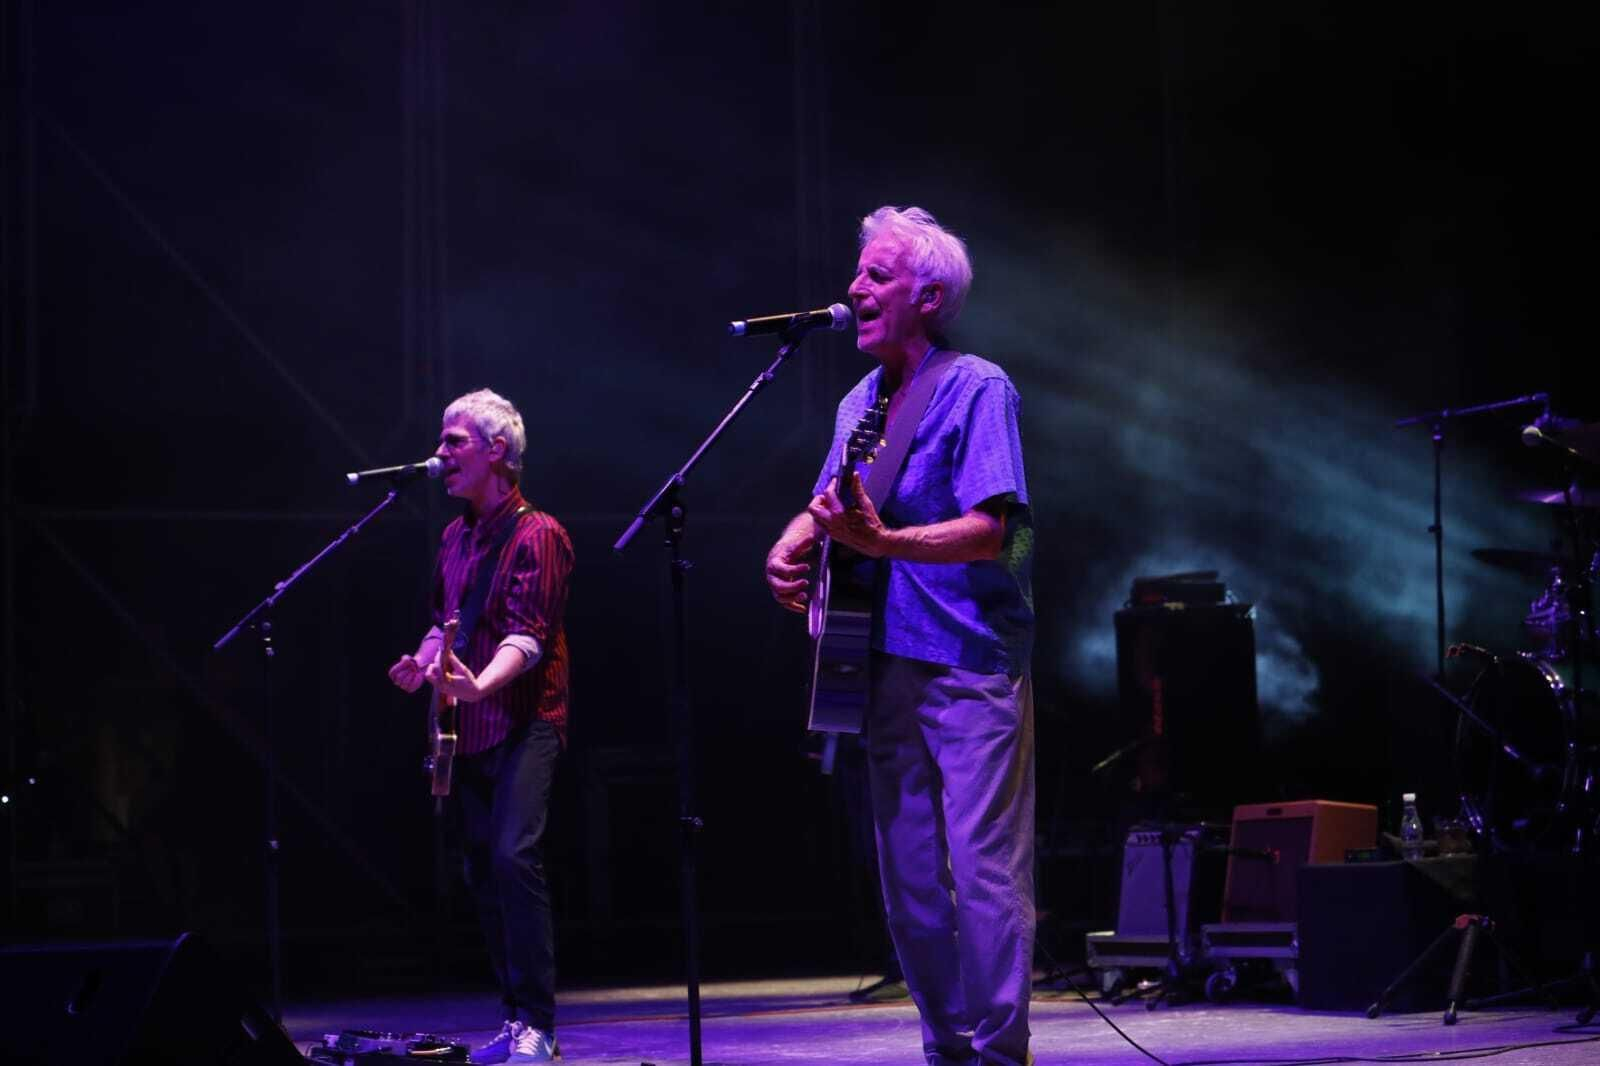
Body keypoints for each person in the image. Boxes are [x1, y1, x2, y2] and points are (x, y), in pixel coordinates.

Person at [765, 206, 1036, 1066]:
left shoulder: (978, 387)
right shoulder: (858, 402)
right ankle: (947, 1049)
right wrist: (791, 542)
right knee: (911, 885)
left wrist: (885, 544)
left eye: (876, 275)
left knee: (984, 872)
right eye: (859, 273)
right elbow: (828, 506)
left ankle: (999, 1054)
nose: (854, 287)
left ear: (929, 295)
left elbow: (997, 531)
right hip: (877, 664)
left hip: (968, 662)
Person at [388, 388, 574, 1065]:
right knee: (480, 870)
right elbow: (447, 622)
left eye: (454, 442)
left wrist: (479, 684)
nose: (440, 454)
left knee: (512, 856)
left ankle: (540, 1025)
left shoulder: (540, 534)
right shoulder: (454, 536)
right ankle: (514, 1015)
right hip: (469, 727)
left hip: (528, 719)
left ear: (497, 451)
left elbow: (529, 636)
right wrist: (422, 662)